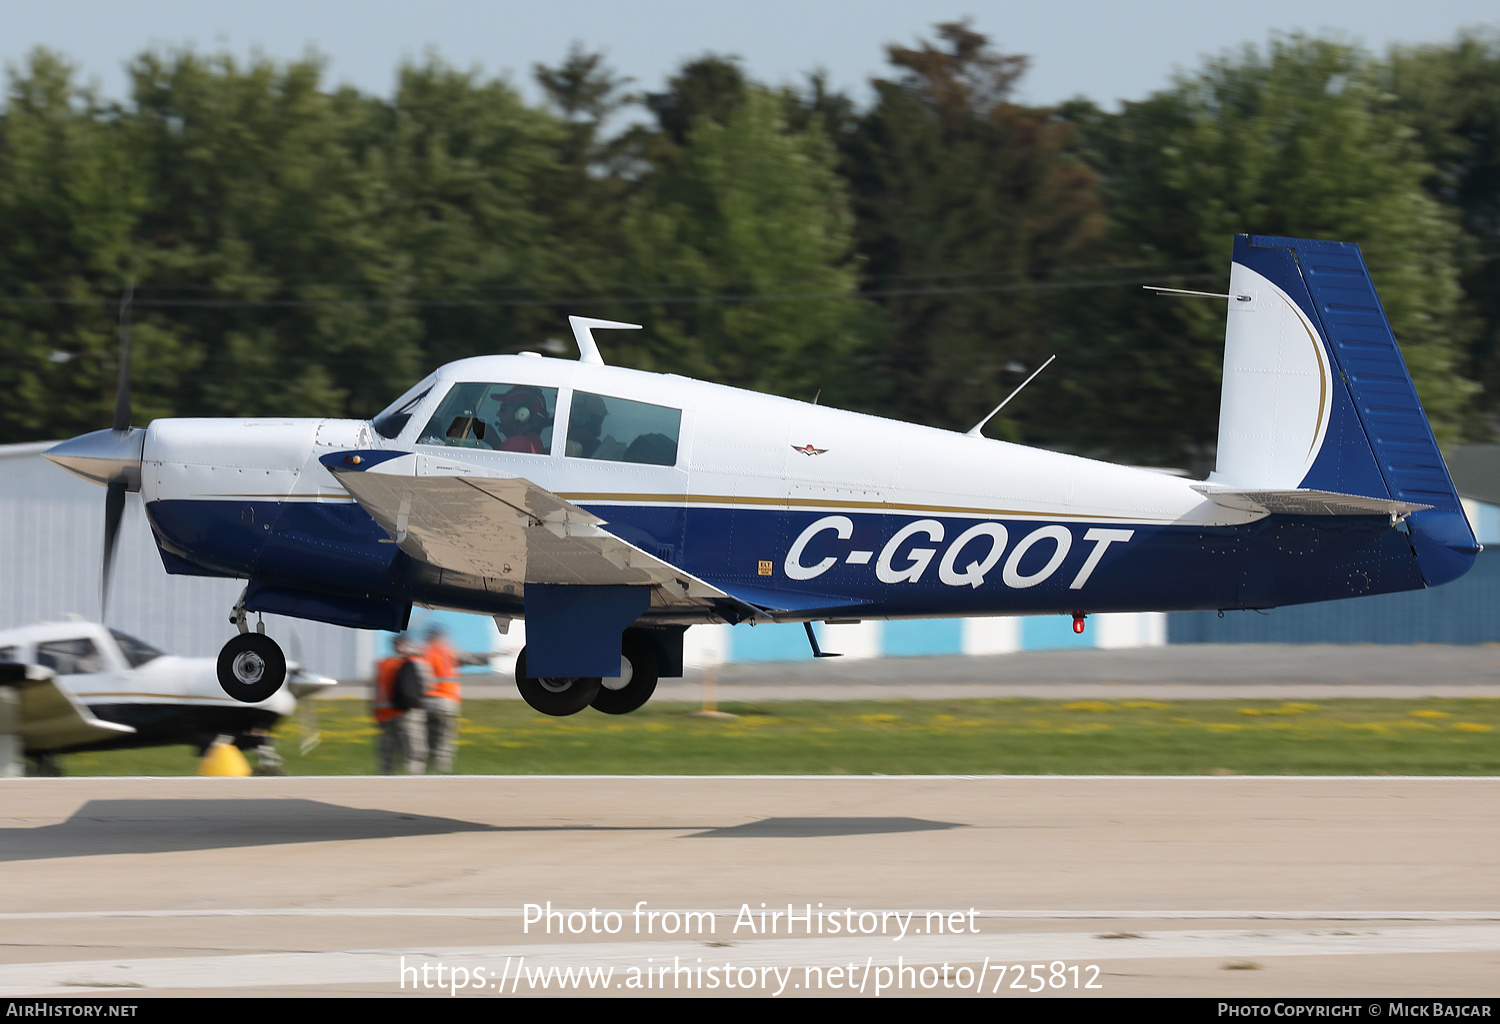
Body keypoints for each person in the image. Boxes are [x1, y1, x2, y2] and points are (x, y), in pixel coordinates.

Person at [373, 634, 428, 774]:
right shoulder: (413, 662)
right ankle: (413, 783)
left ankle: (384, 783)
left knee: (387, 757)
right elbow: (425, 687)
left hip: (386, 716)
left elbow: (376, 692)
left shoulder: (383, 664)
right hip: (408, 714)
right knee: (415, 753)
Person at [423, 626, 461, 773]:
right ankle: (441, 774)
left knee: (428, 741)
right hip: (447, 703)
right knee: (444, 743)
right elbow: (475, 658)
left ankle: (427, 773)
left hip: (427, 703)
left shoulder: (424, 653)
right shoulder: (449, 652)